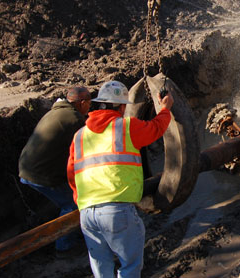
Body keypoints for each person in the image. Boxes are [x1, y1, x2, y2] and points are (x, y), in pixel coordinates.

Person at [67, 80, 173, 277]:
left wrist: (81, 202)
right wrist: (165, 108)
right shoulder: (125, 127)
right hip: (116, 211)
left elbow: (72, 174)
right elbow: (157, 128)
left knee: (102, 270)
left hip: (87, 214)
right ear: (122, 106)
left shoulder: (79, 136)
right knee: (130, 267)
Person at [18, 86, 91, 256]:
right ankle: (64, 247)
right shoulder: (74, 119)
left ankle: (74, 230)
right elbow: (86, 151)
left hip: (27, 166)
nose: (90, 108)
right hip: (40, 173)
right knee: (73, 204)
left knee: (68, 197)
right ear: (81, 103)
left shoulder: (55, 112)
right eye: (89, 104)